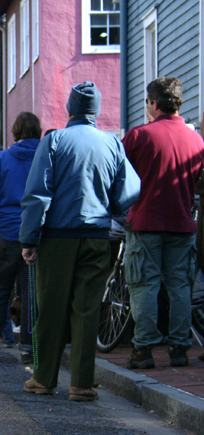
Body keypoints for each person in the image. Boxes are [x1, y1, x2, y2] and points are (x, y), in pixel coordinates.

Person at [20, 81, 140, 401]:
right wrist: (110, 209)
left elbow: (37, 194)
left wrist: (29, 239)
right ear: (97, 111)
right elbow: (129, 191)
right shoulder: (112, 143)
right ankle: (82, 384)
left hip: (57, 237)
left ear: (69, 109)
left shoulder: (55, 140)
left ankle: (44, 378)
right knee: (87, 310)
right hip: (98, 236)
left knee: (51, 308)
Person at [122, 77, 204, 369]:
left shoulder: (138, 136)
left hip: (145, 222)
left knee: (144, 286)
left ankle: (143, 350)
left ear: (153, 104)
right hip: (182, 222)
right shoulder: (197, 140)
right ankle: (180, 349)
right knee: (180, 286)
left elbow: (120, 177)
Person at [0, 111, 41, 363]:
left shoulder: (1, 159)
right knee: (31, 291)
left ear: (15, 131)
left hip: (5, 231)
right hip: (35, 233)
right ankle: (28, 347)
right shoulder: (46, 157)